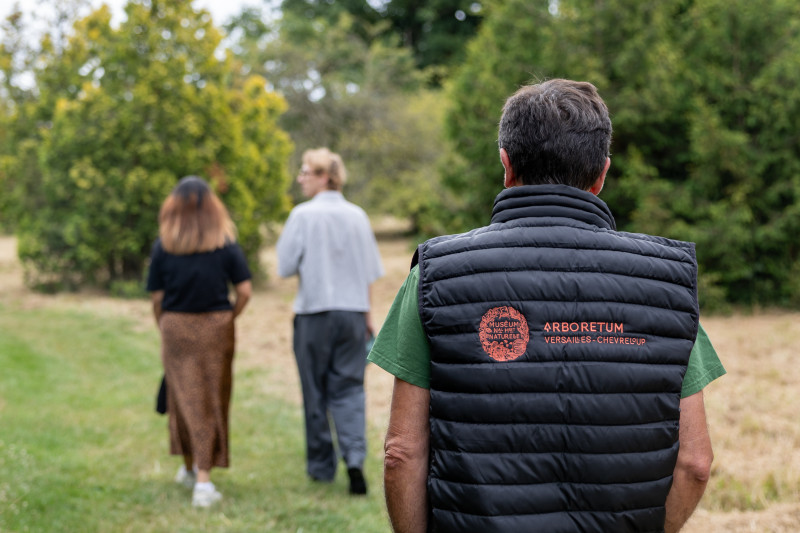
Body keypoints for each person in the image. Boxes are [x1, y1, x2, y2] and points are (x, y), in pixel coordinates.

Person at [369, 79, 726, 532]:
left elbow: (401, 452)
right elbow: (695, 461)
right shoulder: (665, 281)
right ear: (602, 174)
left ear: (506, 164)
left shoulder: (438, 273)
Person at [277, 148, 384, 495]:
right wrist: (368, 317)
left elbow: (284, 266)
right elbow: (370, 273)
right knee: (350, 388)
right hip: (353, 314)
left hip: (314, 314)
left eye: (306, 171)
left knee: (315, 391)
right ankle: (354, 458)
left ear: (326, 176)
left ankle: (322, 467)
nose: (301, 178)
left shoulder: (302, 216)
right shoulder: (358, 216)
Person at [146, 176, 252, 508]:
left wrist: (163, 324)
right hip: (216, 327)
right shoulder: (225, 243)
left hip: (175, 326)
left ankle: (190, 467)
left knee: (182, 396)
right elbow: (245, 291)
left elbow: (157, 297)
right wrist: (228, 318)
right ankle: (204, 482)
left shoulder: (164, 246)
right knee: (211, 397)